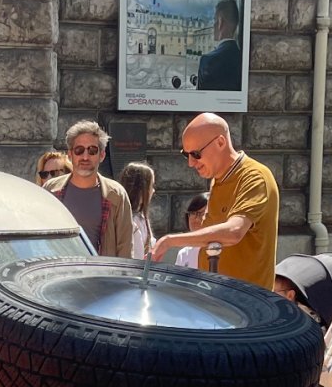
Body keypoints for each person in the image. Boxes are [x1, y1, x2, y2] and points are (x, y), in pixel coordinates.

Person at [150, 113, 279, 289]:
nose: (190, 163)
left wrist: (170, 241)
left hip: (246, 304)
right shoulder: (218, 180)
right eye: (185, 154)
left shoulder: (255, 177)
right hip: (219, 298)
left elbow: (234, 231)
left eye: (196, 154)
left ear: (220, 142)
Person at [42, 120, 133, 259]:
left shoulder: (116, 195)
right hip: (60, 275)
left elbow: (125, 249)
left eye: (92, 150)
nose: (85, 157)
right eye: (79, 150)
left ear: (101, 155)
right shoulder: (51, 190)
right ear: (70, 155)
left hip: (100, 276)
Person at [196, 0, 243, 92]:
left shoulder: (207, 61)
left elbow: (200, 102)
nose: (213, 25)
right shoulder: (242, 57)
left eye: (214, 20)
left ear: (220, 22)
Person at [120, 162, 156, 260]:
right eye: (151, 185)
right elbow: (136, 258)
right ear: (141, 188)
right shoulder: (129, 221)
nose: (153, 191)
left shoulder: (141, 218)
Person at [176, 193, 210, 268]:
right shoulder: (183, 254)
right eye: (193, 213)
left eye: (202, 213)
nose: (197, 218)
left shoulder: (219, 250)